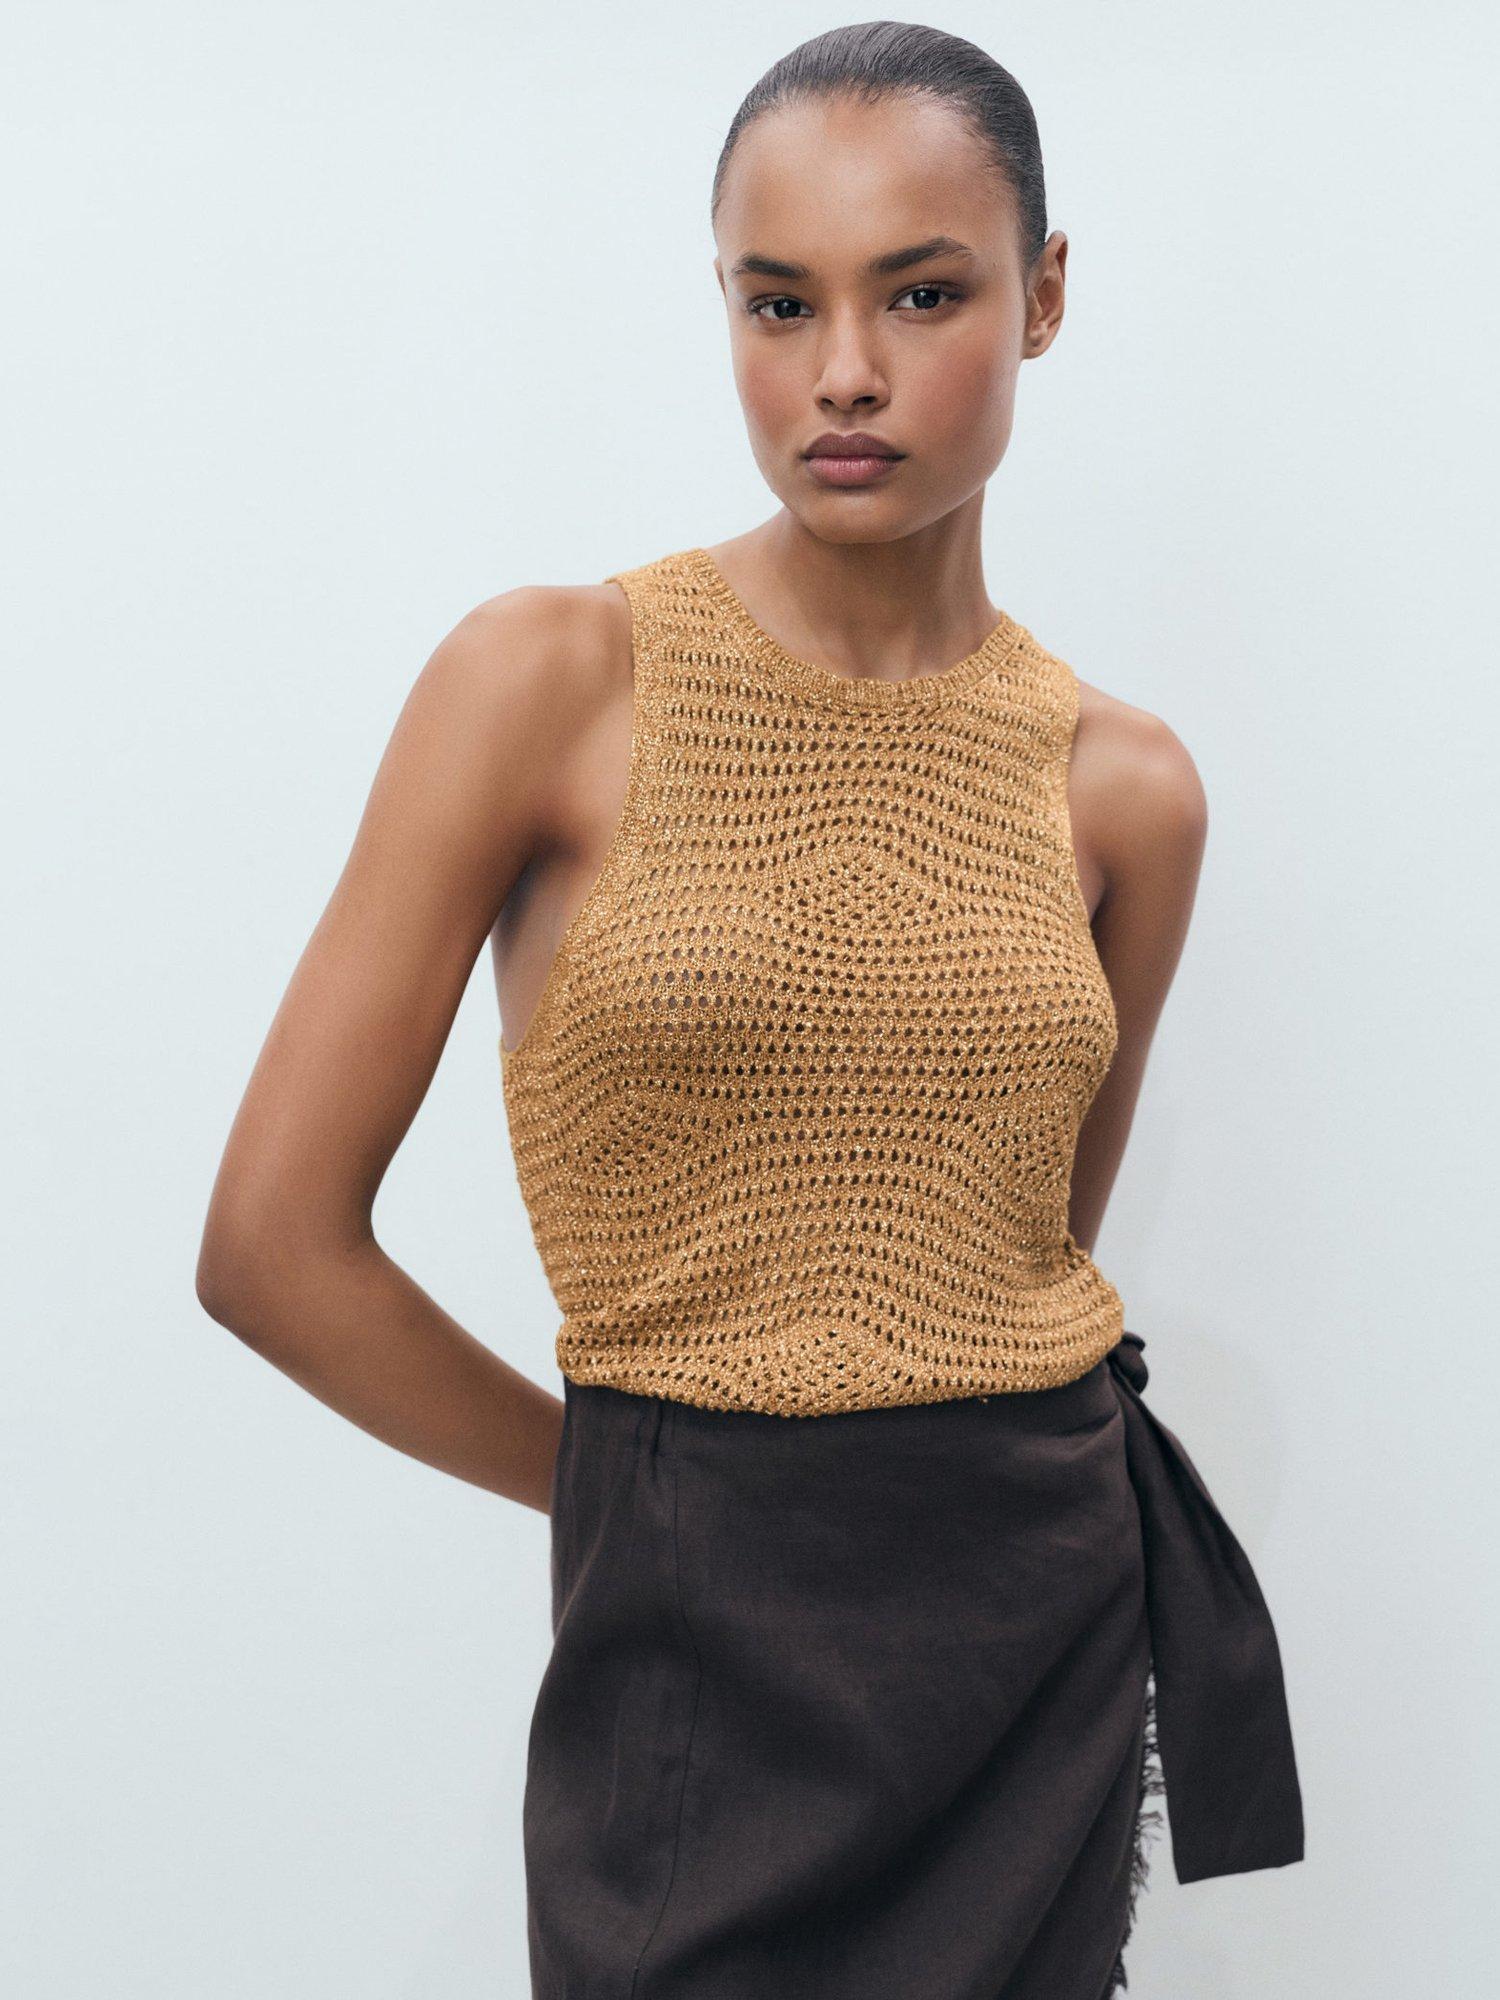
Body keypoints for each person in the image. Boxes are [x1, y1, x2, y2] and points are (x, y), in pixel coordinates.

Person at [197, 21, 1304, 1997]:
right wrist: (620, 1488)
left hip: (1030, 1631)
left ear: (1046, 297)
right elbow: (270, 1249)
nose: (843, 372)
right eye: (779, 303)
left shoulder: (1126, 787)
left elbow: (1020, 1247)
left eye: (924, 294)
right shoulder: (549, 680)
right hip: (693, 1631)